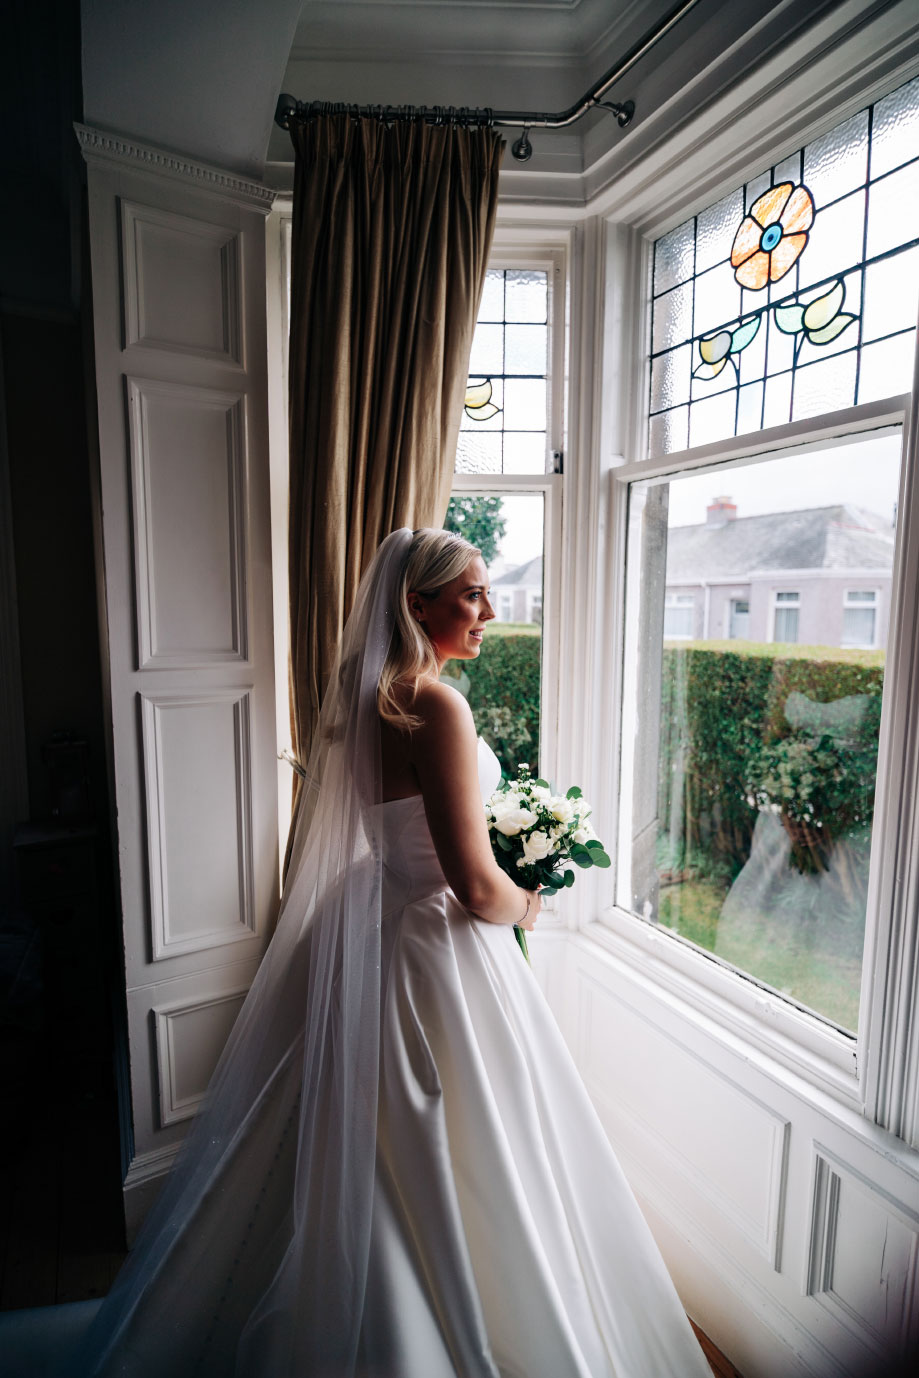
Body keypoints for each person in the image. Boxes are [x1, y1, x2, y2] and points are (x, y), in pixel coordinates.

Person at [70, 526, 713, 1377]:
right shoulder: (435, 703)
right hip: (432, 948)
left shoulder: (365, 692)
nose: (487, 611)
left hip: (373, 919)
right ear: (417, 604)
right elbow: (472, 884)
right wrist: (526, 899)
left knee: (344, 1130)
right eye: (471, 594)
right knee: (455, 1139)